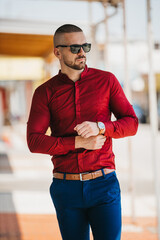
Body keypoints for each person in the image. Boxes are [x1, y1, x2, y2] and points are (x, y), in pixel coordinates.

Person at [27, 24, 138, 240]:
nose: (82, 53)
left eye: (85, 46)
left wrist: (101, 127)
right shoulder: (45, 92)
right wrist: (78, 142)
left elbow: (132, 123)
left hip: (103, 184)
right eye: (75, 47)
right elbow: (34, 141)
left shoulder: (107, 81)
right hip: (65, 187)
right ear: (57, 52)